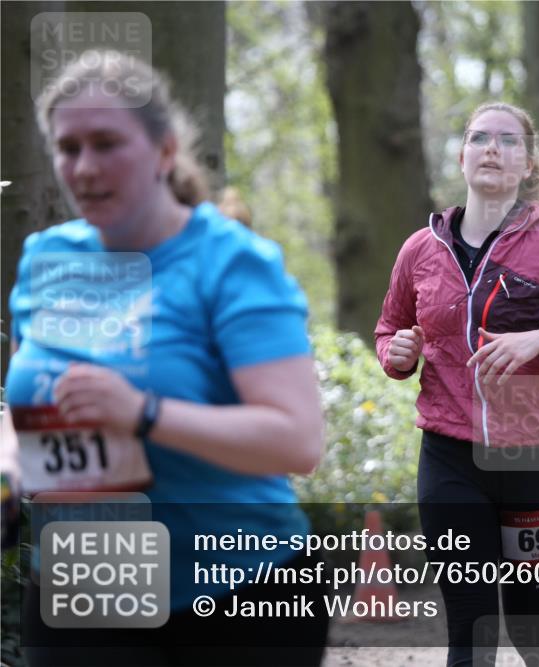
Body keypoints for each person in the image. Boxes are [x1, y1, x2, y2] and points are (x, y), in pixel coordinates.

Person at [6, 51, 329, 665]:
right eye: (68, 147)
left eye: (106, 143)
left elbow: (296, 440)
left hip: (237, 593)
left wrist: (144, 413)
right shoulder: (45, 259)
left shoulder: (232, 262)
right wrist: (7, 466)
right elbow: (26, 403)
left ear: (164, 150)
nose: (85, 166)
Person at [375, 101, 539, 666]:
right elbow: (390, 329)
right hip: (449, 460)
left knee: (531, 628)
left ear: (528, 164)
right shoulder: (420, 250)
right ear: (462, 156)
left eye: (508, 141)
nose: (492, 148)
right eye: (479, 137)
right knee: (469, 628)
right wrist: (396, 354)